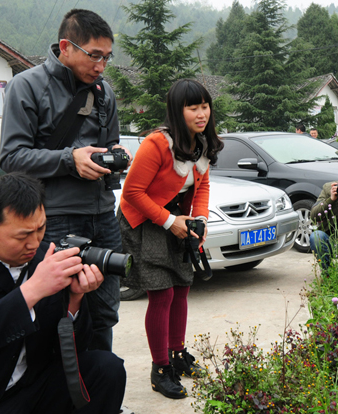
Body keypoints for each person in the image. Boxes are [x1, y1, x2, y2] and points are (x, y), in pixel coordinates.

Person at [0, 172, 126, 414]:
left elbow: (75, 349)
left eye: (40, 228)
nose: (34, 242)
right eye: (22, 236)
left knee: (106, 368)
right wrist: (32, 289)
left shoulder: (44, 256)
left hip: (33, 386)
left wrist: (74, 299)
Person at [0, 9, 130, 352]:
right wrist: (70, 160)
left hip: (103, 216)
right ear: (66, 47)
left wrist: (116, 155)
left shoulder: (104, 92)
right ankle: (58, 383)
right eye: (94, 55)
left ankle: (100, 381)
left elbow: (110, 144)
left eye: (107, 57)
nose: (101, 66)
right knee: (55, 311)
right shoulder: (26, 86)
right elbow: (11, 158)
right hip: (55, 219)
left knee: (104, 312)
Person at [118, 79, 223, 399]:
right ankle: (160, 368)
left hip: (178, 218)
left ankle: (177, 354)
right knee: (162, 294)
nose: (201, 114)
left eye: (205, 106)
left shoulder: (202, 143)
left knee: (182, 288)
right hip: (145, 220)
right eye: (193, 108)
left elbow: (202, 186)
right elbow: (131, 193)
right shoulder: (157, 144)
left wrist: (200, 220)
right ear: (178, 111)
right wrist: (168, 221)